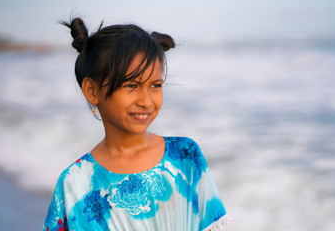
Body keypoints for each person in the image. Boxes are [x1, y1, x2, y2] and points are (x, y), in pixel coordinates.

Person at [43, 17, 230, 231]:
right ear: (92, 91)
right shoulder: (75, 182)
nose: (146, 101)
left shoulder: (185, 156)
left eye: (155, 85)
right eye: (131, 85)